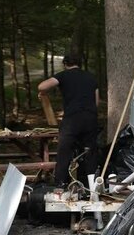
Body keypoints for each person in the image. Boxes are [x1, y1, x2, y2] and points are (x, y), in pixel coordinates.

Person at [38, 53, 99, 188]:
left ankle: (61, 184)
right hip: (90, 118)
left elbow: (42, 86)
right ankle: (92, 186)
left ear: (65, 64)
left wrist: (43, 93)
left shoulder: (63, 75)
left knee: (64, 151)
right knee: (90, 152)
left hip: (72, 120)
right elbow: (96, 102)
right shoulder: (91, 77)